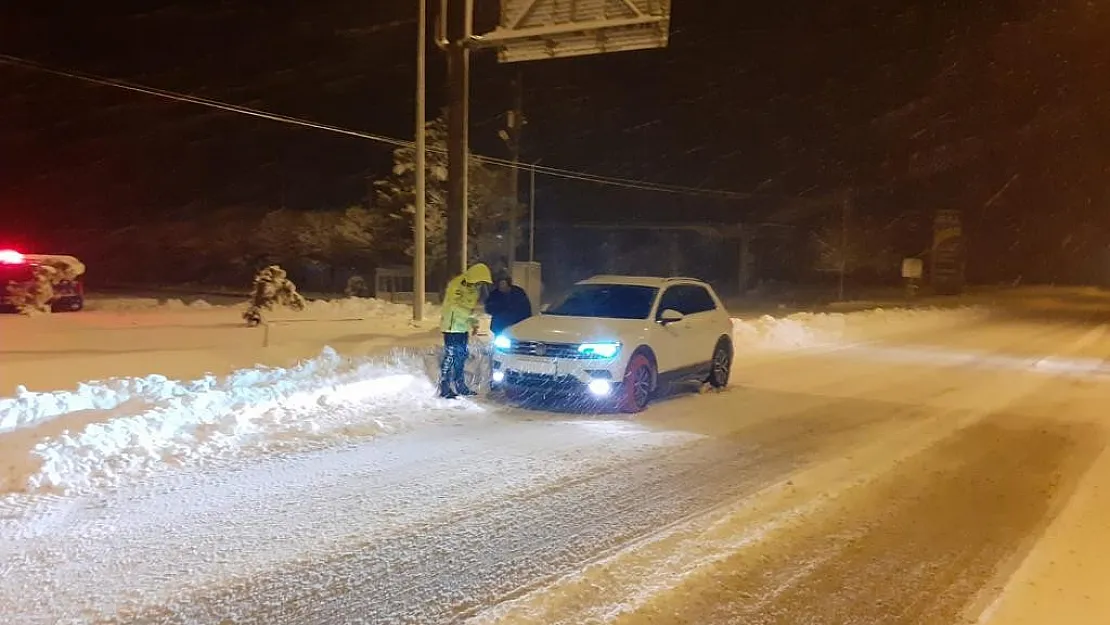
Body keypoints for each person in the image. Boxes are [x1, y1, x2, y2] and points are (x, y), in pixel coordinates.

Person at [439, 262, 493, 398]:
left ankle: (460, 385)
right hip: (451, 327)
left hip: (462, 327)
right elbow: (454, 307)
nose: (480, 285)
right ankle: (444, 387)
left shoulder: (474, 289)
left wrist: (473, 323)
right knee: (450, 357)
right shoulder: (456, 285)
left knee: (461, 357)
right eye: (479, 281)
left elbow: (468, 309)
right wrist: (472, 318)